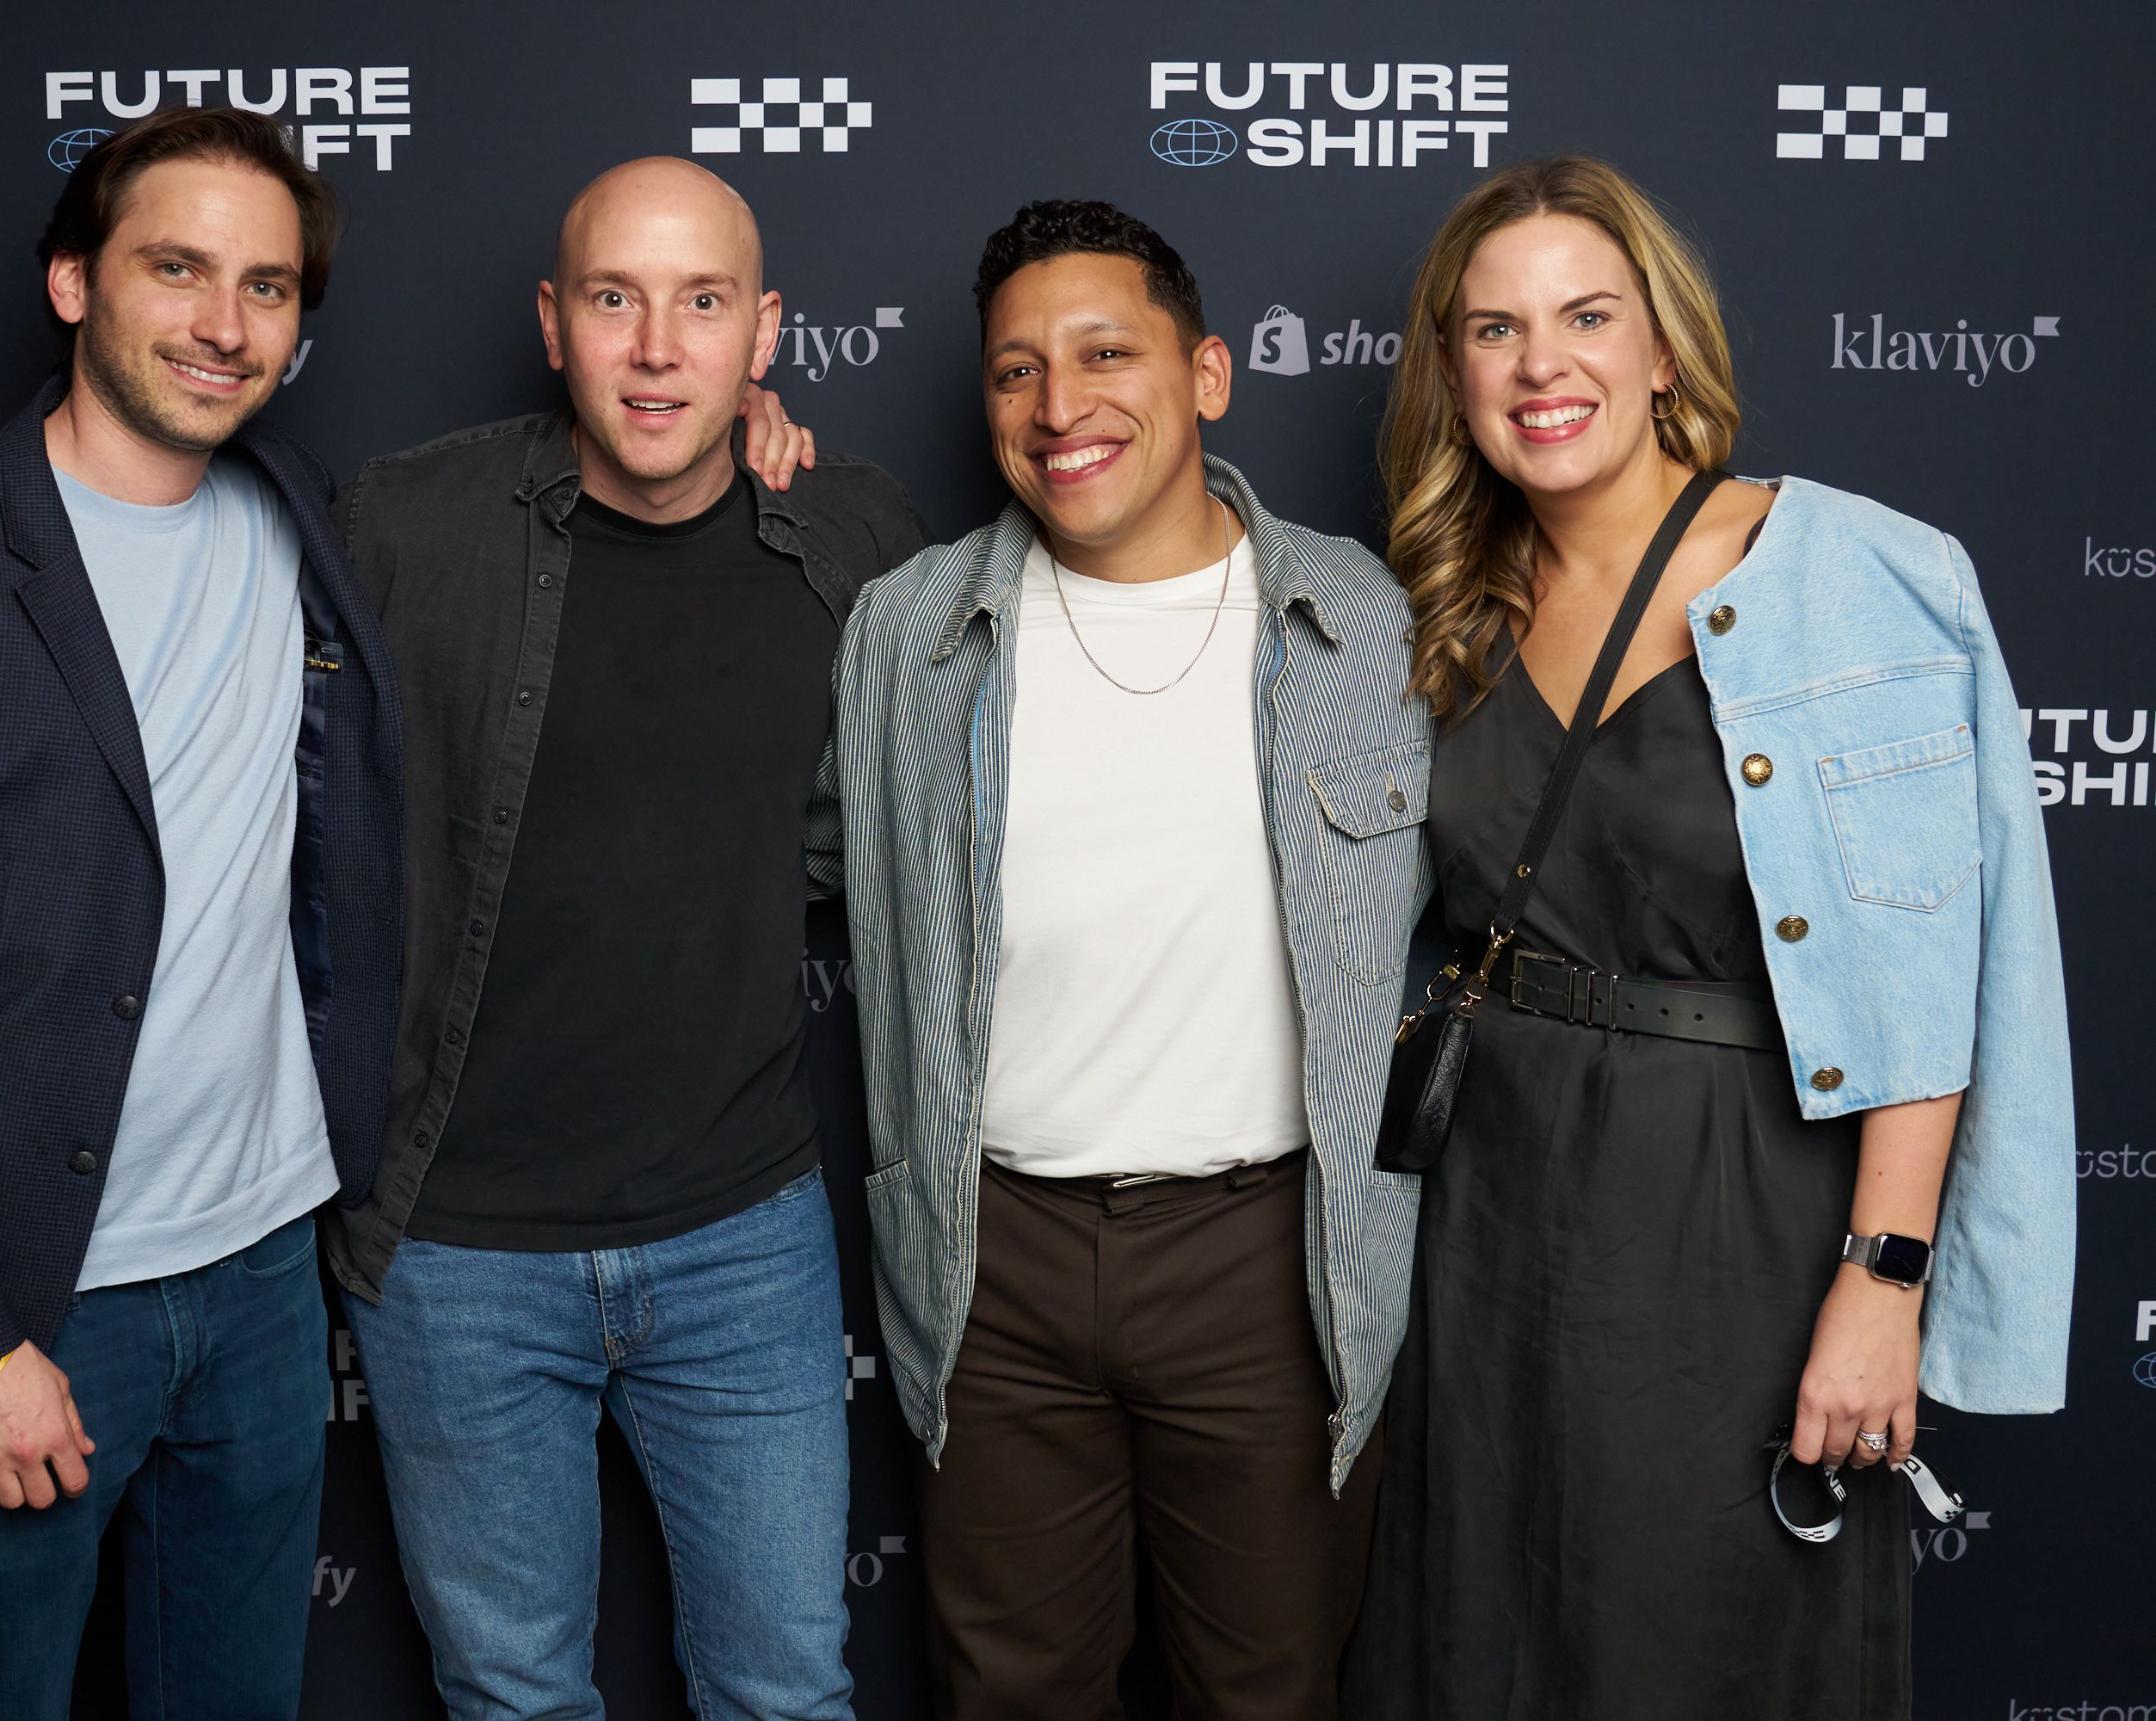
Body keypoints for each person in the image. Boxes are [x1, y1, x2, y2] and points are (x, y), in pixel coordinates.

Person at [1341, 156, 2075, 1718]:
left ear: (1663, 347)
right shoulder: (1447, 598)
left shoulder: (1855, 578)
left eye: (1587, 316)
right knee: (1478, 1632)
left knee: (1706, 1643)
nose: (1543, 365)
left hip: (1739, 1207)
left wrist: (1886, 1280)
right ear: (1451, 367)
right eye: (1494, 330)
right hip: (1487, 1210)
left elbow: (1929, 969)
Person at [0, 108, 402, 1718]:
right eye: (176, 269)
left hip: (261, 1272)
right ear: (69, 284)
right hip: (34, 1300)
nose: (223, 324)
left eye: (265, 286)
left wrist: (750, 423)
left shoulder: (299, 515)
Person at [324, 156, 926, 1721]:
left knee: (785, 1690)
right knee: (514, 1697)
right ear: (553, 323)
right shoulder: (406, 525)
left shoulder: (854, 538)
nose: (658, 348)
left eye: (702, 305)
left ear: (762, 334)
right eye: (615, 300)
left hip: (743, 1238)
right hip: (453, 1250)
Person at [825, 200, 1429, 1719]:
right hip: (994, 1259)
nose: (1059, 405)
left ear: (1209, 373)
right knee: (1008, 1691)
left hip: (1268, 1261)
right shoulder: (908, 630)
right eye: (1016, 371)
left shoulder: (1369, 617)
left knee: (1269, 1688)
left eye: (1106, 353)